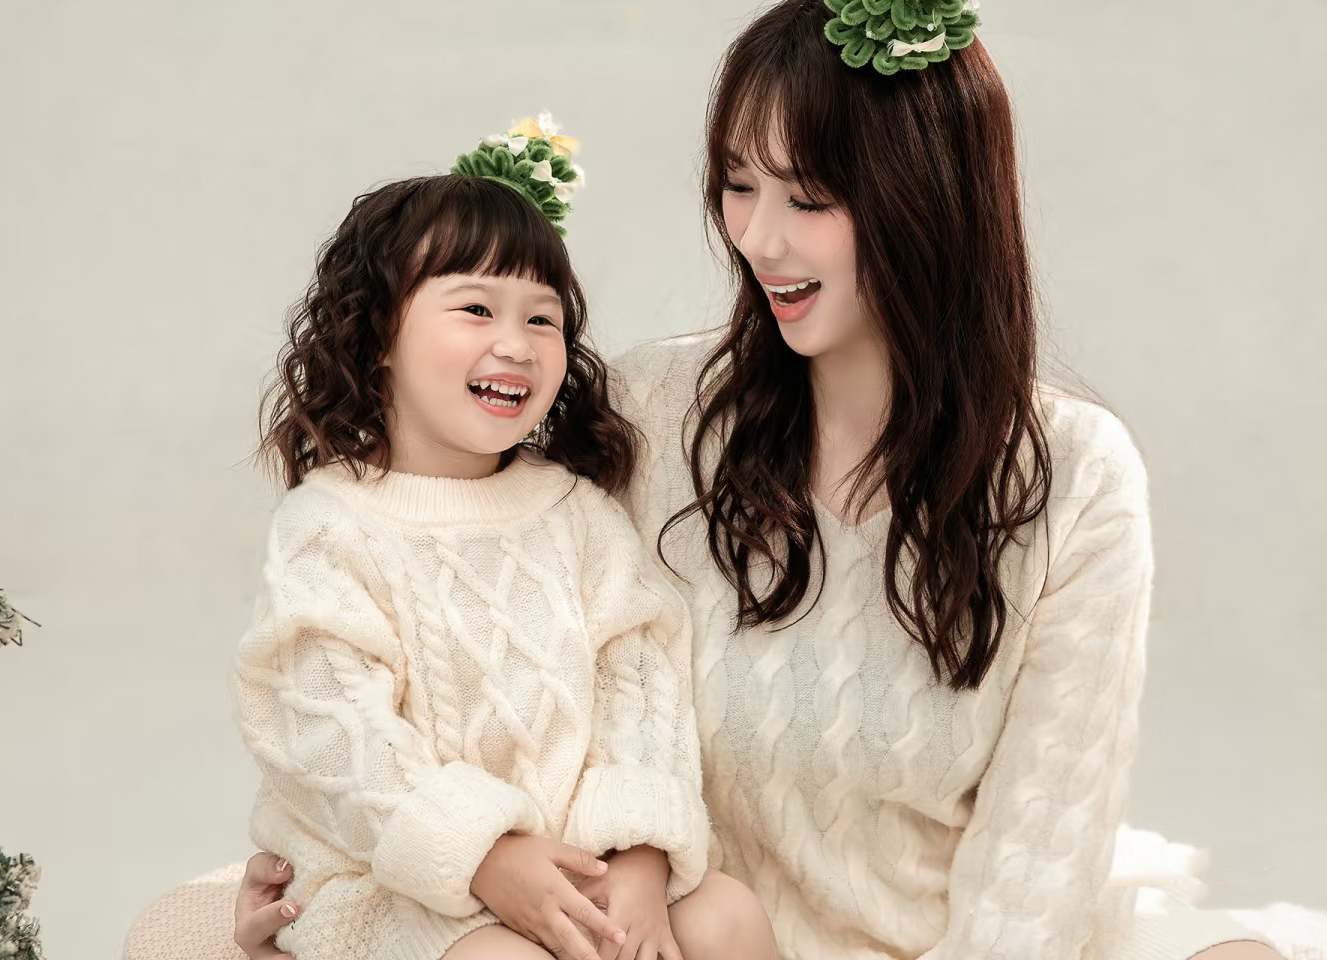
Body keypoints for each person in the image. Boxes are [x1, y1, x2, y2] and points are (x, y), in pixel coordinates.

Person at [235, 3, 1286, 958]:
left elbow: (1039, 856)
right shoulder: (652, 413)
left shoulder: (1075, 476)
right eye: (738, 186)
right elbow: (452, 626)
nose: (757, 238)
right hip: (680, 935)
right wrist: (324, 873)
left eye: (809, 197)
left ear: (929, 198)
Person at [234, 120, 778, 960]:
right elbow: (330, 733)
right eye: (476, 309)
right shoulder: (330, 529)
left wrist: (637, 856)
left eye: (542, 318)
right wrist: (482, 854)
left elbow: (640, 682)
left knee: (726, 916)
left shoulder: (577, 515)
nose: (515, 344)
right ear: (378, 338)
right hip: (391, 881)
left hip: (576, 859)